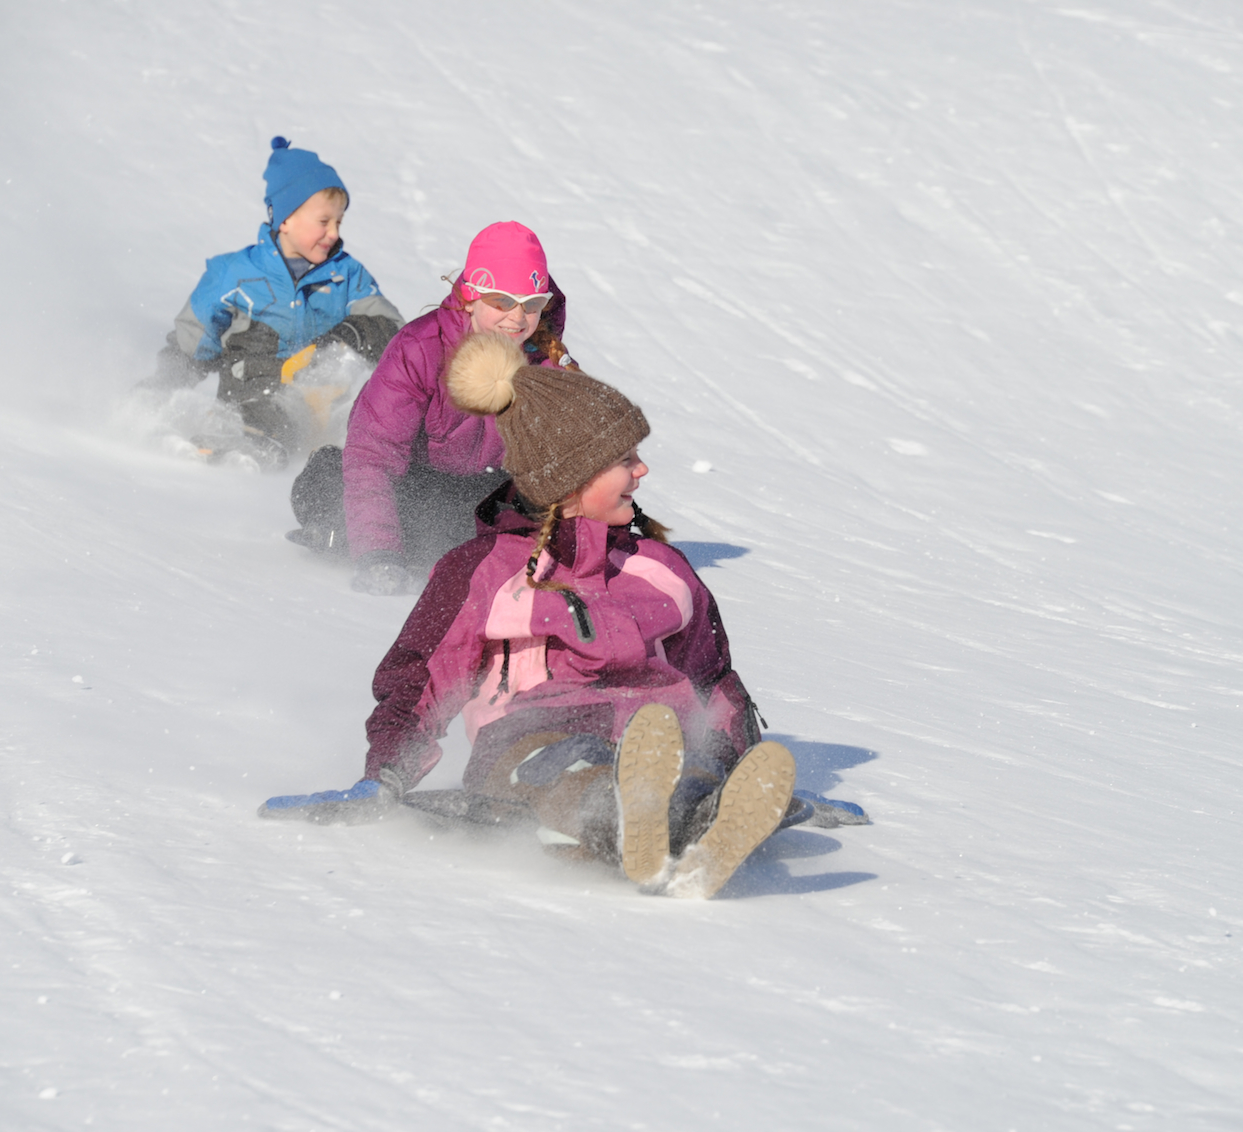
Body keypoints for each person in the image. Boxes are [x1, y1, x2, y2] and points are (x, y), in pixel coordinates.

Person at [262, 331, 868, 899]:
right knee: (572, 769)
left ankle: (708, 822)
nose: (642, 470)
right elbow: (424, 676)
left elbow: (711, 679)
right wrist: (385, 776)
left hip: (659, 731)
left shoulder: (659, 566)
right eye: (625, 458)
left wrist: (737, 761)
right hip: (530, 738)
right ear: (570, 477)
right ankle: (629, 821)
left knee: (691, 765)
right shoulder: (489, 571)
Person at [286, 221, 574, 593]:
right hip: (410, 484)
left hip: (482, 499)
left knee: (516, 517)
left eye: (532, 304)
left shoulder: (548, 364)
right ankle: (355, 536)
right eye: (502, 301)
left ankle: (481, 556)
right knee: (325, 483)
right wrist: (378, 554)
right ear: (470, 297)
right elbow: (373, 453)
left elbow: (574, 462)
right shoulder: (419, 349)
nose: (518, 318)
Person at [141, 137, 403, 468]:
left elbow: (398, 338)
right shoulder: (236, 274)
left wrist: (354, 333)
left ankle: (301, 450)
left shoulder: (347, 276)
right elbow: (193, 341)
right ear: (285, 220)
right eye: (324, 222)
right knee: (253, 351)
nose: (334, 233)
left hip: (317, 408)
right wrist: (162, 388)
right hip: (247, 396)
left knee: (343, 394)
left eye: (338, 222)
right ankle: (224, 436)